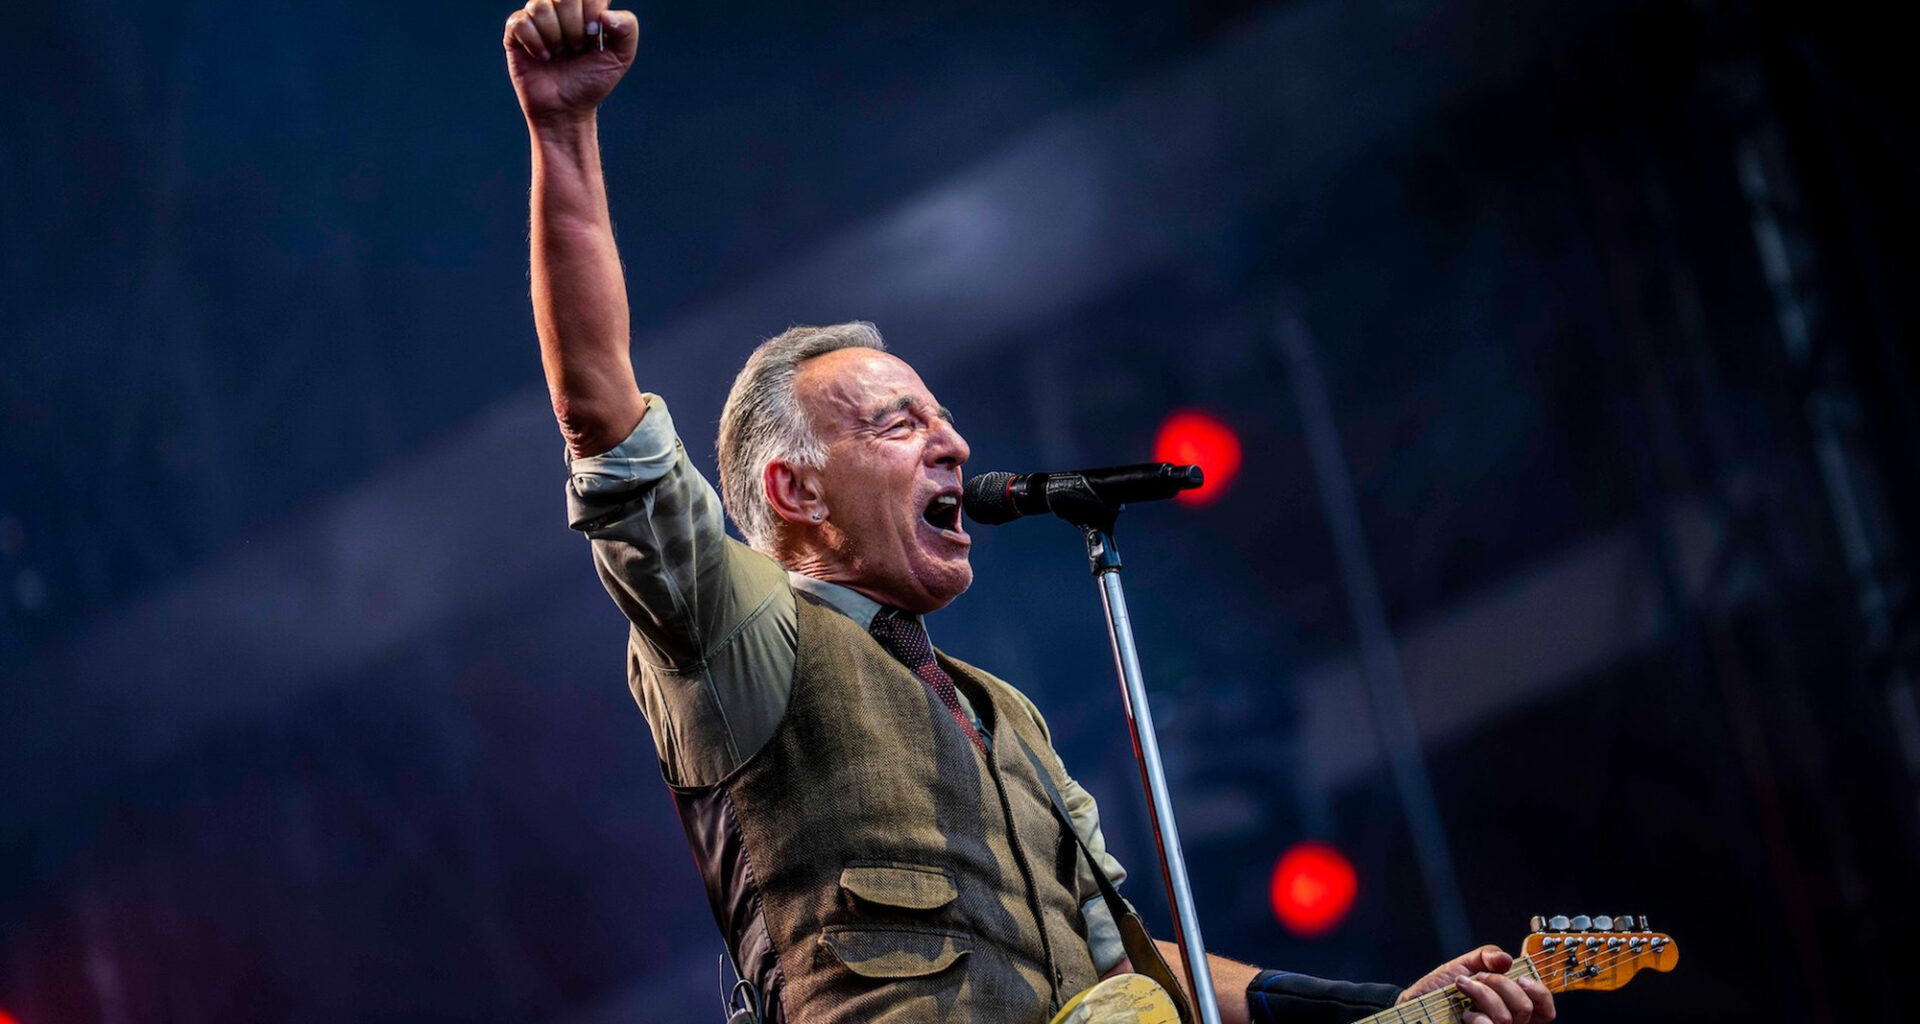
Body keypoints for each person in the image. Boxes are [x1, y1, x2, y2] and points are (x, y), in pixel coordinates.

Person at [501, 4, 1560, 1024]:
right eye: (896, 423)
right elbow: (601, 408)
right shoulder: (745, 632)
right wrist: (565, 129)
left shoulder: (1007, 713)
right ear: (794, 490)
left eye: (945, 417)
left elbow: (1136, 968)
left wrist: (1400, 1005)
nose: (952, 442)